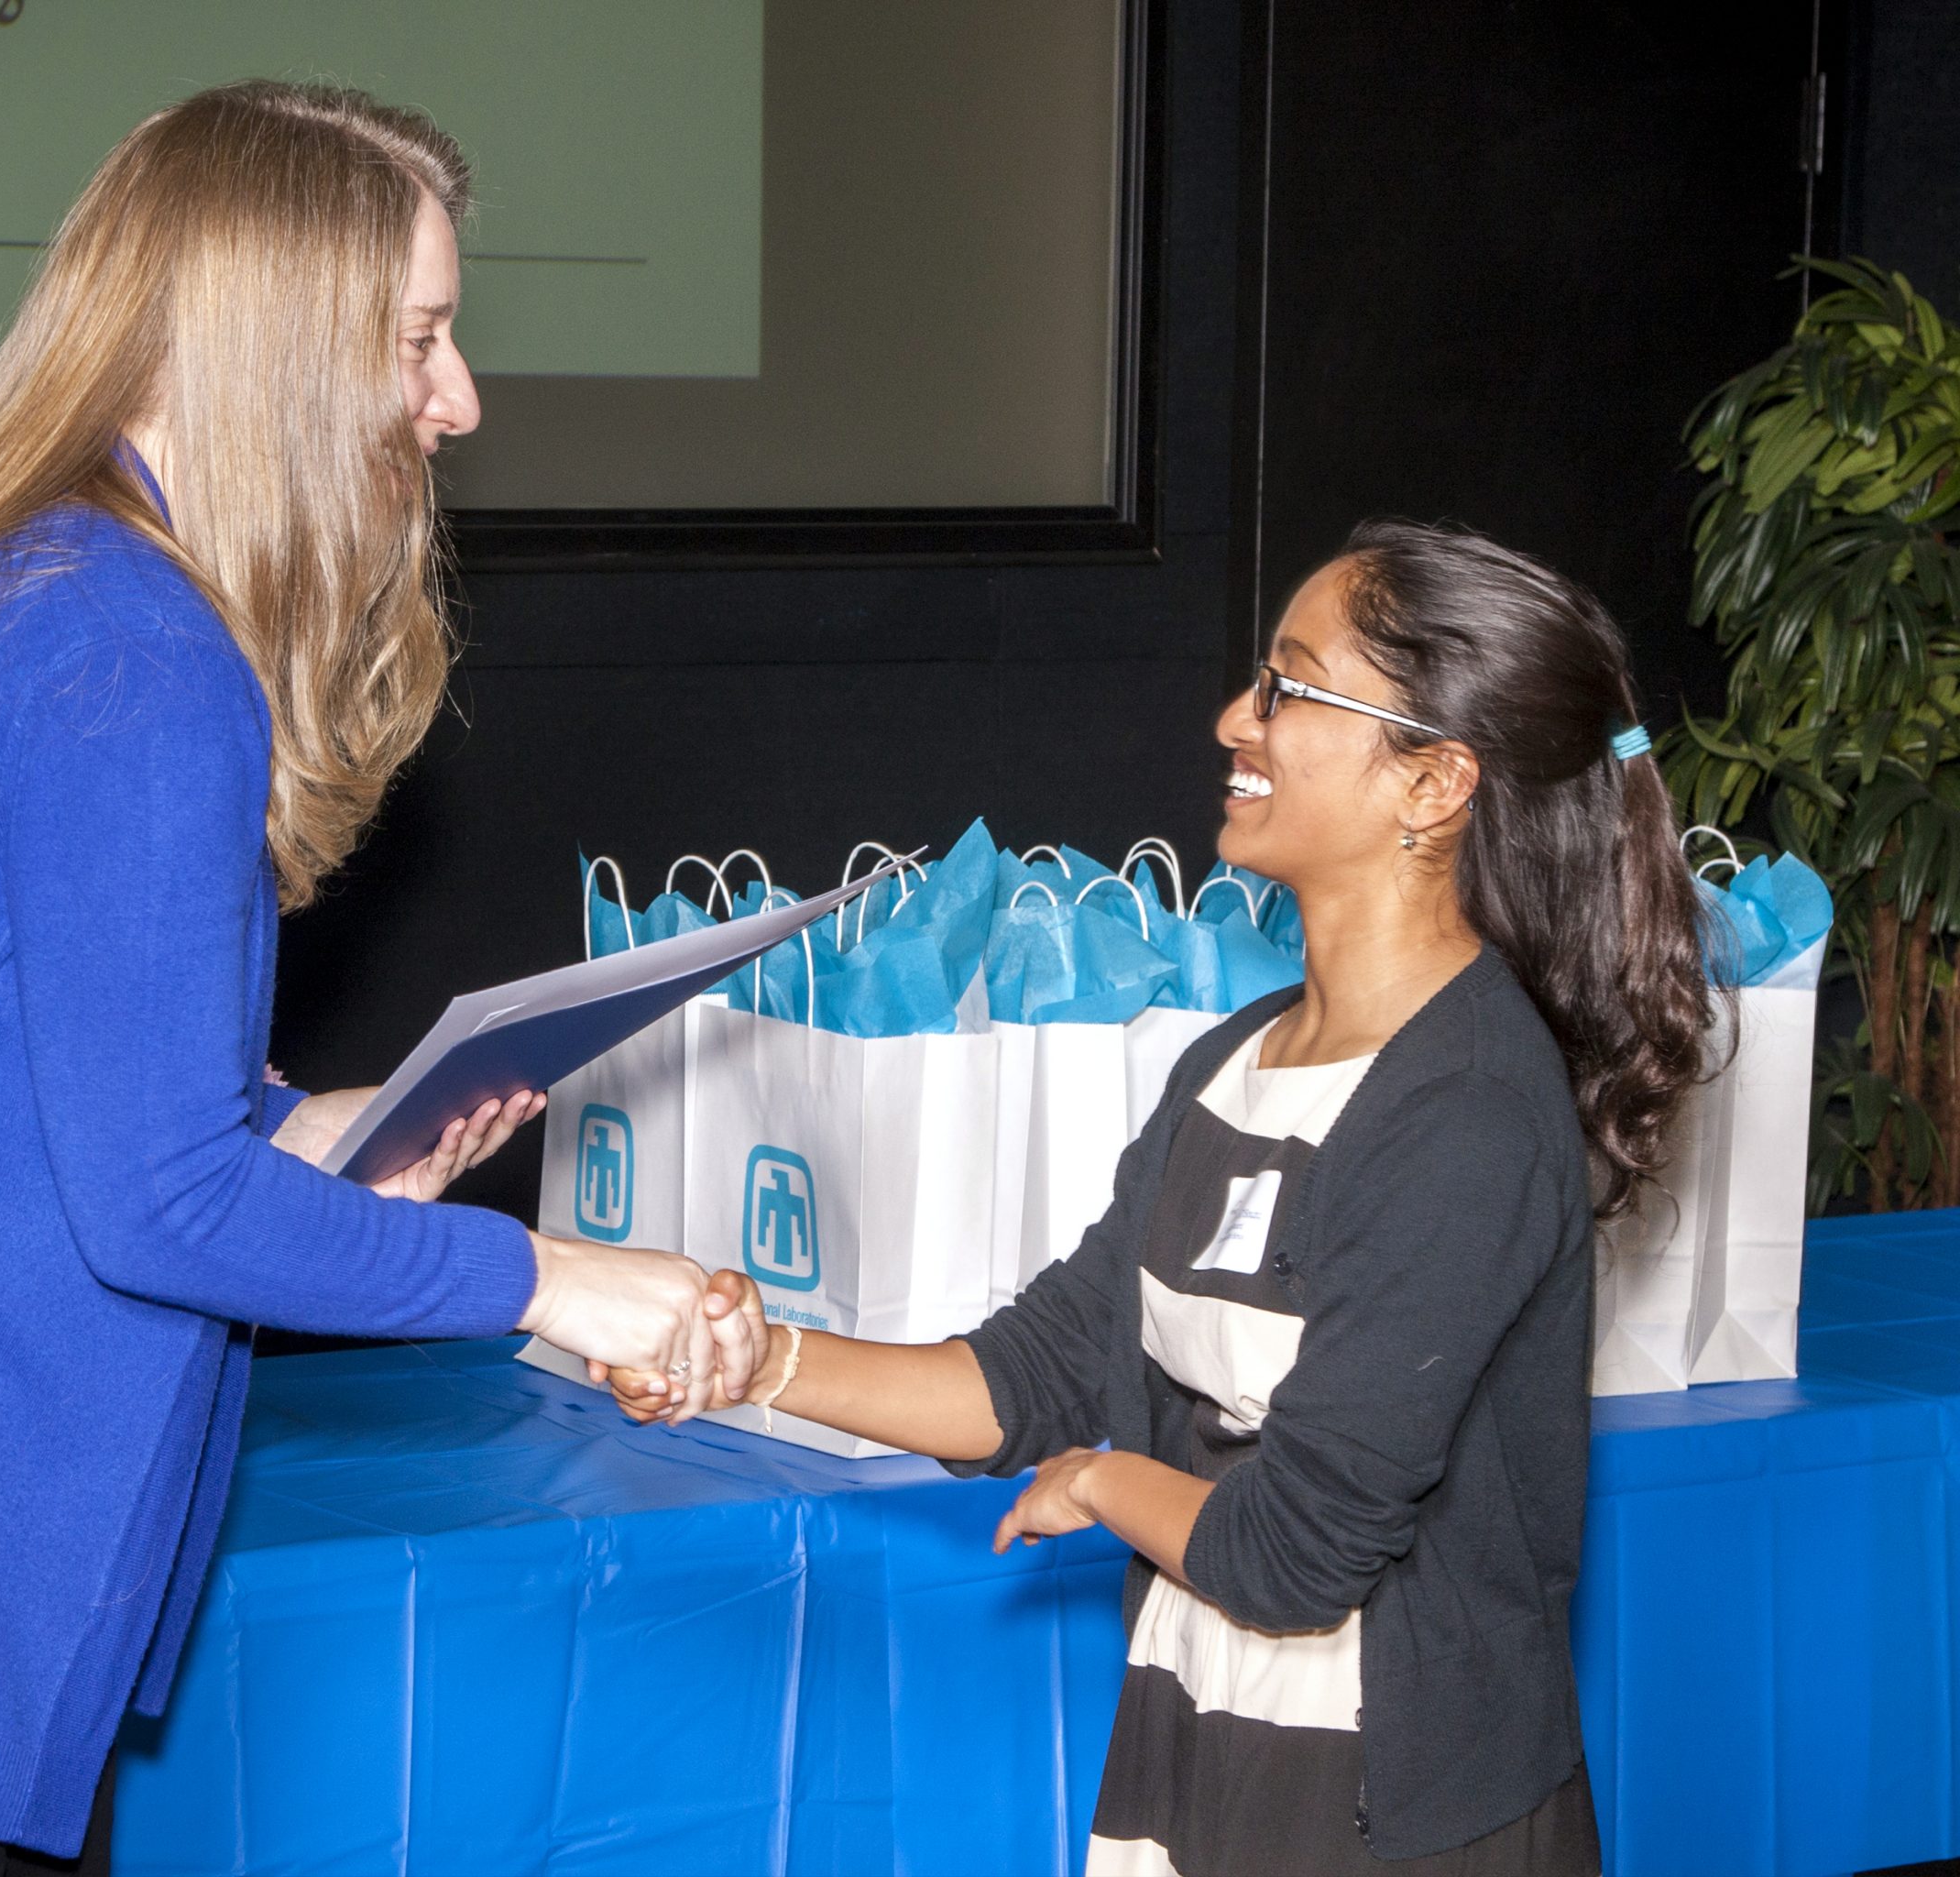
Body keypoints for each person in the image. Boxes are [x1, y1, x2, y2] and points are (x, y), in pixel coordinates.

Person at [0, 82, 751, 1875]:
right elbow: (151, 1206)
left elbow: (13, 1088)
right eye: (421, 340)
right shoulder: (129, 652)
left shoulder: (42, 588)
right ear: (275, 344)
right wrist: (557, 1282)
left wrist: (315, 1136)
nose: (459, 401)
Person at [604, 521, 1715, 1873]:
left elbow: (1299, 1552)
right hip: (1209, 1747)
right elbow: (1045, 1369)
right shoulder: (1231, 1061)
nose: (1233, 718)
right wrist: (755, 1363)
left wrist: (1103, 1483)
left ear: (1433, 782)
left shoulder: (1468, 1112)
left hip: (1392, 1813)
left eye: (1291, 689)